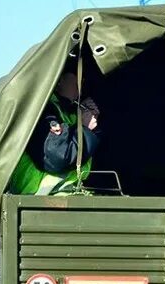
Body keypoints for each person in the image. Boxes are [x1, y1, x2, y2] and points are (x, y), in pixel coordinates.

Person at [9, 66, 101, 196]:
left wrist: (90, 125)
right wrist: (85, 129)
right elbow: (58, 158)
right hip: (37, 198)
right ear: (58, 79)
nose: (81, 81)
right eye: (75, 73)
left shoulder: (71, 114)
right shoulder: (42, 110)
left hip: (62, 196)